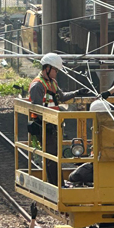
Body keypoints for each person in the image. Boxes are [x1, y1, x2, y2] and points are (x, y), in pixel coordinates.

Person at [28, 53, 91, 186]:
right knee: (51, 156)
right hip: (43, 126)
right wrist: (49, 121)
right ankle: (57, 184)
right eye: (55, 70)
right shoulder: (37, 86)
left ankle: (58, 183)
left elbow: (61, 97)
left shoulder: (52, 83)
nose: (56, 72)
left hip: (52, 124)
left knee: (55, 155)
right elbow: (37, 108)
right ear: (47, 68)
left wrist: (76, 92)